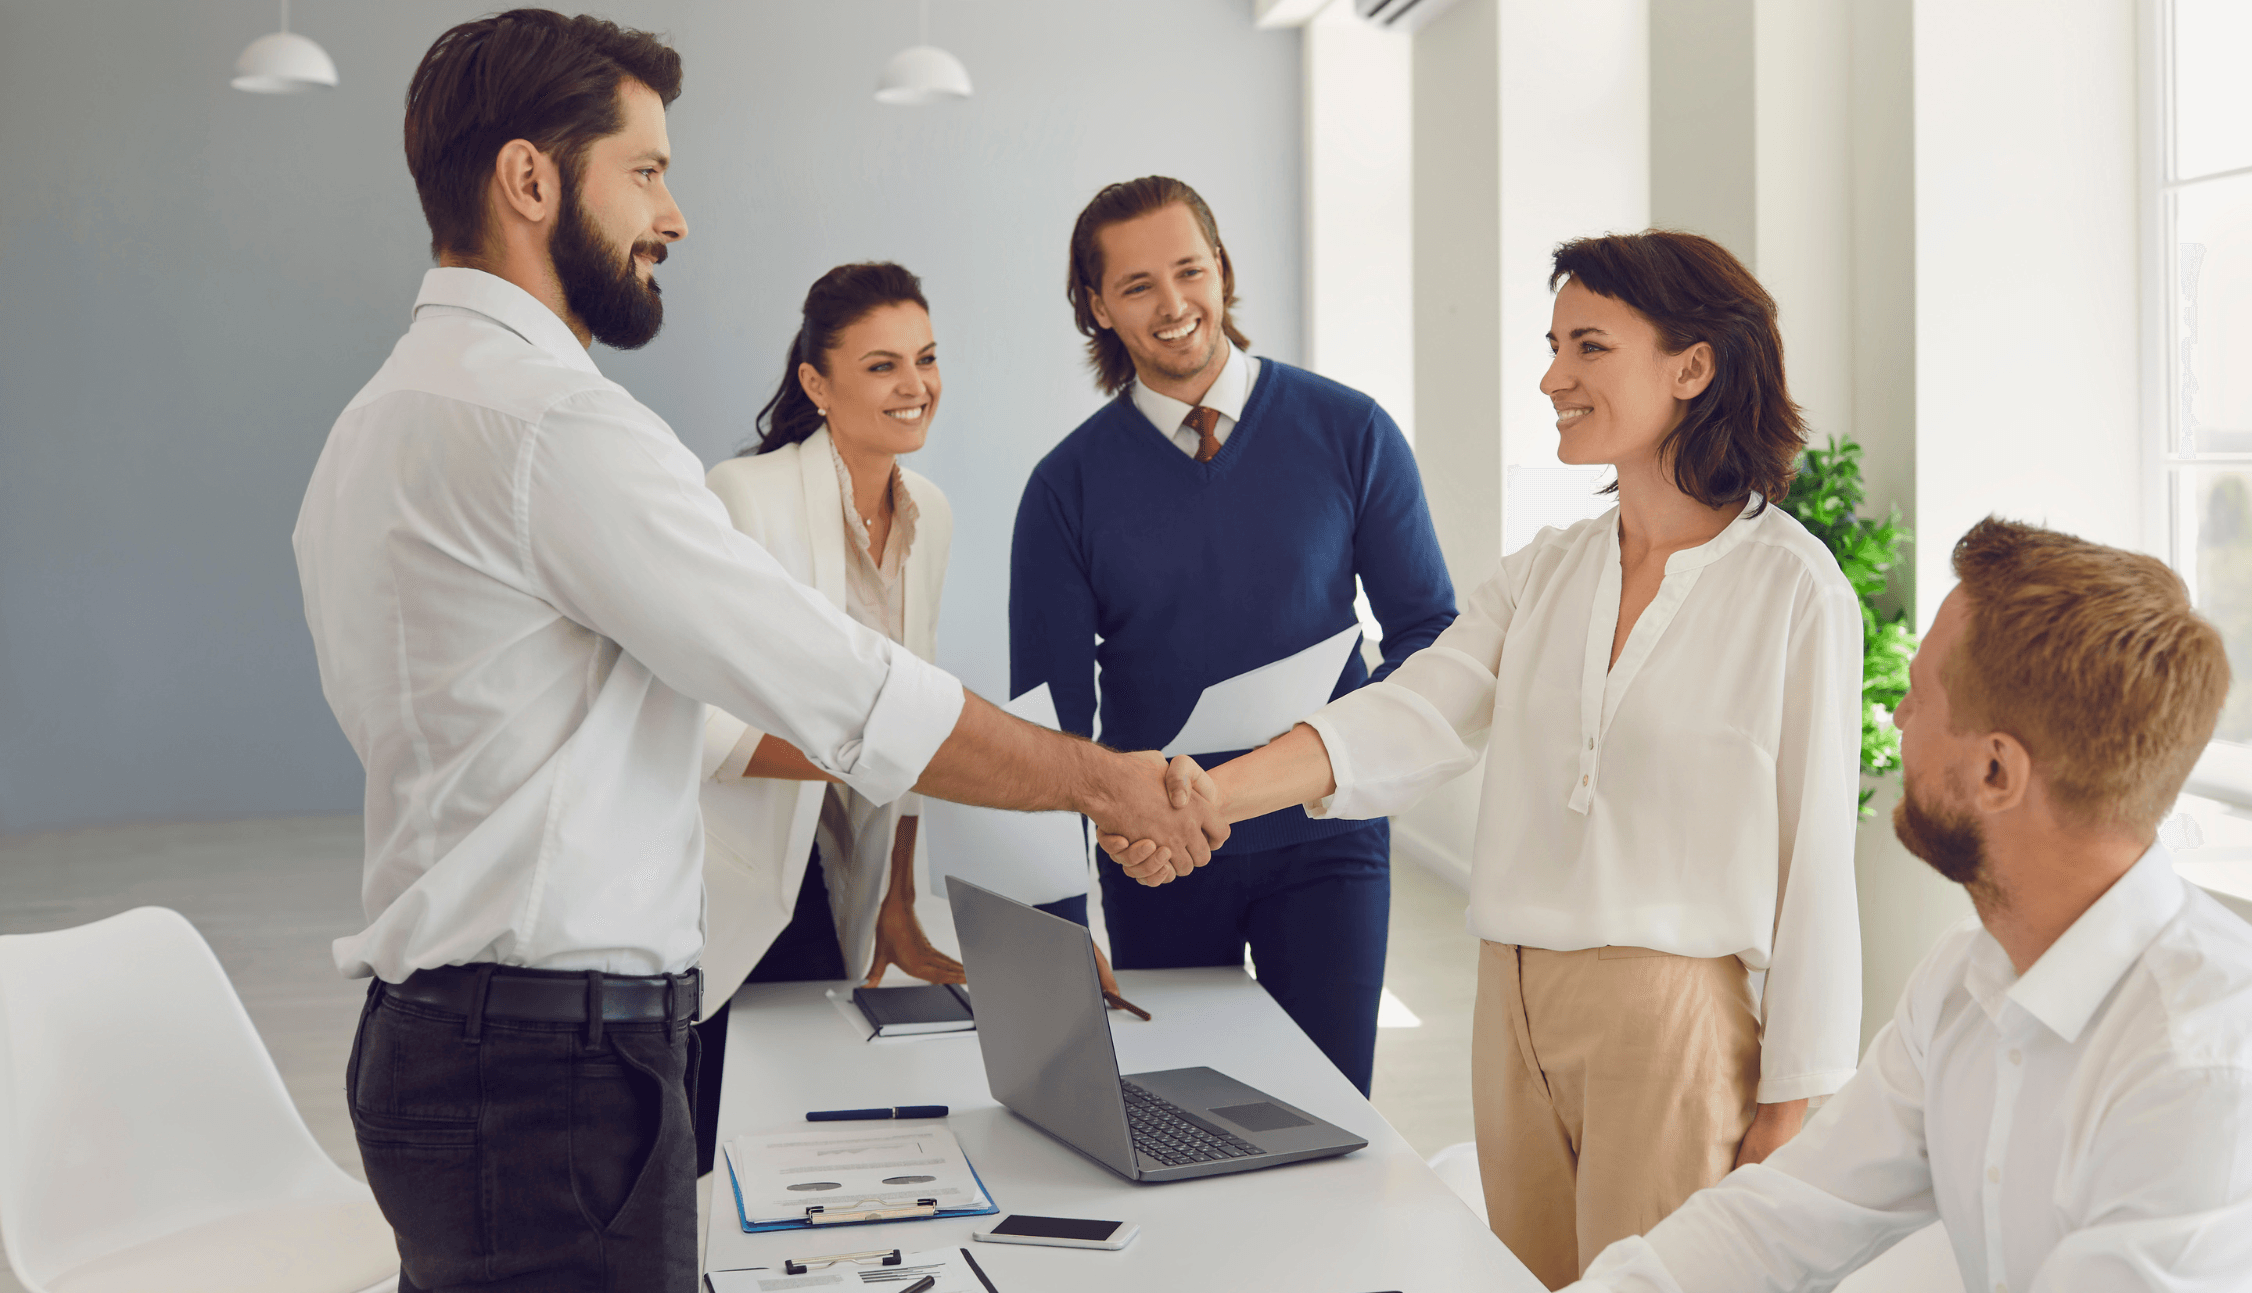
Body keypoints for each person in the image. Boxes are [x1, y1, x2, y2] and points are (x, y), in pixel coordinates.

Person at [294, 14, 1219, 1290]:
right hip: (548, 1079)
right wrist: (1106, 781)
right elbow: (845, 690)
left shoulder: (379, 417)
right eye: (648, 170)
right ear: (530, 180)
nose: (672, 216)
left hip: (439, 1044)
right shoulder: (555, 429)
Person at [1109, 229, 1865, 1288]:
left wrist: (1793, 1106)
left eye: (1588, 347)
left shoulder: (1794, 588)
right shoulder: (1548, 570)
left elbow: (1816, 861)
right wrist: (1201, 797)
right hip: (1510, 1002)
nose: (1553, 376)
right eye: (1554, 344)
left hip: (1671, 1016)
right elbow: (1408, 713)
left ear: (1691, 368)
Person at [1554, 518, 2252, 1291]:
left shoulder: (2211, 1091)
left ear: (1996, 772)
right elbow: (1781, 1218)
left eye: (1920, 695)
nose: (1895, 715)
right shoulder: (1969, 979)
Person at [1009, 176, 1458, 1095]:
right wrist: (1059, 921)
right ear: (1098, 307)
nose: (1174, 305)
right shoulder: (1066, 489)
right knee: (1183, 1111)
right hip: (1158, 856)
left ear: (1223, 271)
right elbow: (1048, 725)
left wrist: (1366, 767)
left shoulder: (1350, 431)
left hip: (1327, 840)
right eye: (1138, 286)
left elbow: (1426, 637)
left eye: (1190, 270)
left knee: (1331, 1115)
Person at [687, 262, 1126, 1176]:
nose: (916, 385)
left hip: (847, 857)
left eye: (926, 359)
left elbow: (912, 693)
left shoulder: (930, 510)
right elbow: (707, 728)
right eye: (883, 365)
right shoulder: (744, 495)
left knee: (809, 1104)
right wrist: (882, 757)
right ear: (817, 382)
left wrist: (894, 902)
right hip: (742, 859)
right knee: (734, 1111)